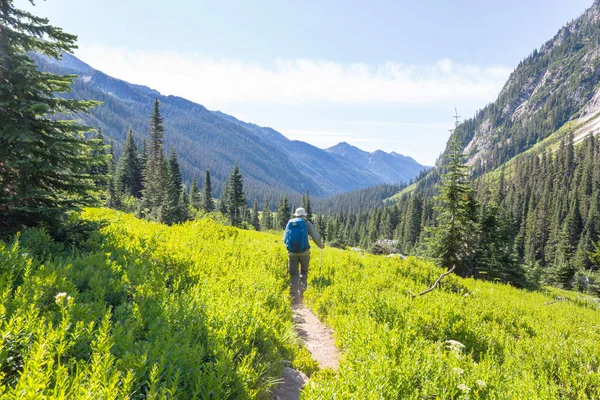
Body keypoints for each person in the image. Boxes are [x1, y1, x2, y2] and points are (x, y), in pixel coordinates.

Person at [283, 207, 324, 302]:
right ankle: (303, 293)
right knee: (304, 272)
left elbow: (284, 239)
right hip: (305, 253)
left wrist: (291, 247)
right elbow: (315, 236)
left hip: (292, 253)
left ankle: (293, 295)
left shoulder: (290, 223)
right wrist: (320, 245)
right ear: (304, 215)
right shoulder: (307, 223)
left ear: (295, 215)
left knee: (293, 273)